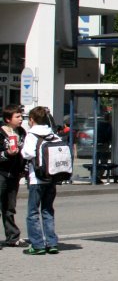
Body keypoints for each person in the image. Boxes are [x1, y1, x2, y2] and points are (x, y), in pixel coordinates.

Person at [21, 106, 60, 255]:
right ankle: (52, 243)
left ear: (32, 120)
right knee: (48, 210)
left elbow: (27, 154)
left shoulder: (32, 135)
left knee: (32, 212)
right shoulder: (53, 134)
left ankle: (37, 245)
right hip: (51, 177)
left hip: (36, 178)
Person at [0, 104, 27, 249]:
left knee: (9, 207)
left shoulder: (21, 132)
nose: (21, 119)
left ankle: (12, 237)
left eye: (21, 116)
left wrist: (23, 168)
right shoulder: (1, 132)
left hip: (14, 174)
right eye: (17, 117)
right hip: (1, 173)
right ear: (7, 119)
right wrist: (6, 154)